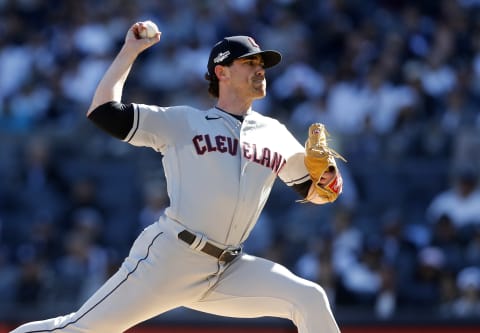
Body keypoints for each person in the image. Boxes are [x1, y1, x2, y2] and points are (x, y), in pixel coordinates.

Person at [11, 21, 342, 333]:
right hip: (171, 258)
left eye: (262, 63)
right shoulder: (183, 121)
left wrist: (328, 177)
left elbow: (318, 192)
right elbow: (103, 112)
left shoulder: (275, 133)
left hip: (228, 268)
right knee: (80, 329)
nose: (260, 69)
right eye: (249, 62)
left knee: (309, 297)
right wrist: (130, 51)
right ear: (221, 71)